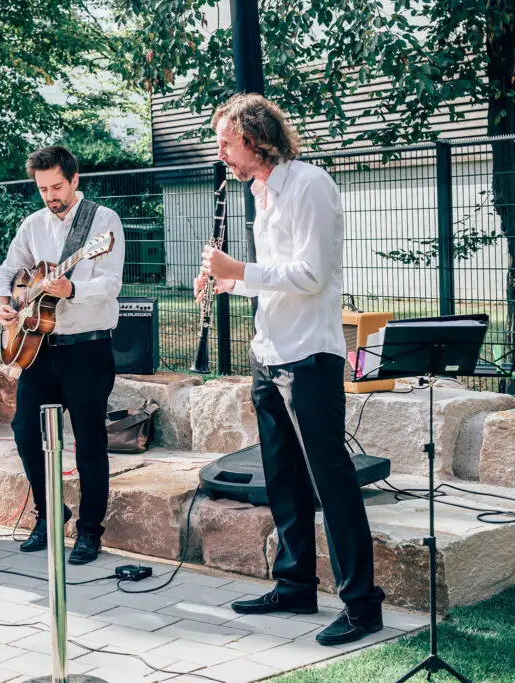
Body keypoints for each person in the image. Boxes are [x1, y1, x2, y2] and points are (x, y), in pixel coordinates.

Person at [195, 93, 385, 646]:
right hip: (270, 352)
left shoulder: (310, 185)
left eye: (226, 143)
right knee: (283, 479)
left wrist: (240, 267)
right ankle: (296, 584)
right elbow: (270, 277)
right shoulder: (260, 192)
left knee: (334, 482)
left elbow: (313, 274)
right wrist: (225, 281)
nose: (222, 154)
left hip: (310, 356)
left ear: (254, 138)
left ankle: (362, 606)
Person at [0, 146, 125, 566]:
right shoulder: (32, 225)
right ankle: (50, 515)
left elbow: (111, 283)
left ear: (74, 179)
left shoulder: (102, 222)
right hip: (41, 349)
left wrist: (73, 290)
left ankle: (89, 533)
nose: (50, 195)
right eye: (43, 188)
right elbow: (9, 271)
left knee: (89, 444)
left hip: (88, 348)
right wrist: (4, 300)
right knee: (24, 431)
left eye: (56, 186)